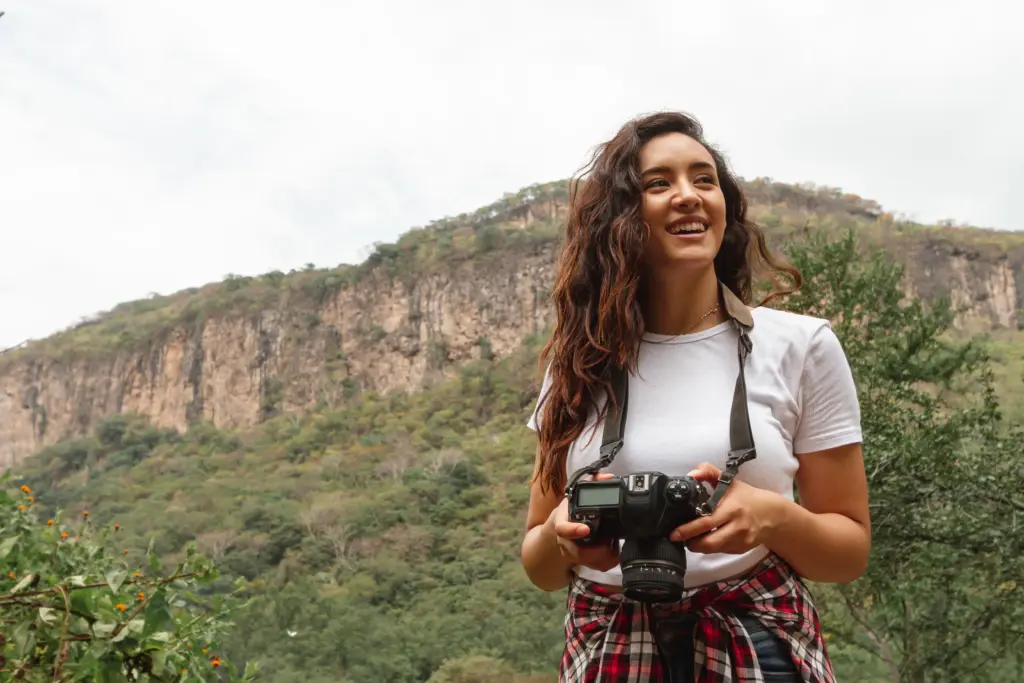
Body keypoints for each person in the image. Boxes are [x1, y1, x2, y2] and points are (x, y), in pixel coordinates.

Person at [519, 111, 870, 683]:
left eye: (703, 179)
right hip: (606, 646)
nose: (688, 196)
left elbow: (849, 552)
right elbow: (539, 564)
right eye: (659, 184)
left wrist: (774, 518)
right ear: (620, 218)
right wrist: (566, 538)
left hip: (757, 638)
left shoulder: (800, 345)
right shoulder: (576, 363)